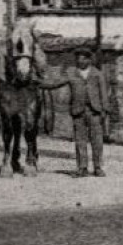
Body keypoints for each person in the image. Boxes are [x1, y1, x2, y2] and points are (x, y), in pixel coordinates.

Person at [39, 46, 109, 177]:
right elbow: (55, 83)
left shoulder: (97, 74)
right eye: (78, 58)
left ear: (89, 60)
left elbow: (103, 94)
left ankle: (98, 167)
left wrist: (104, 111)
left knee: (97, 141)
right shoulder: (71, 73)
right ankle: (82, 167)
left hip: (95, 112)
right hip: (78, 112)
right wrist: (38, 83)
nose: (80, 61)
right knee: (80, 140)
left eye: (83, 58)